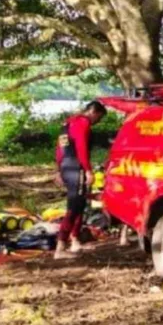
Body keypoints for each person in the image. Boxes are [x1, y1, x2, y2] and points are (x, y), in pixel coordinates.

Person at [54, 100, 107, 259]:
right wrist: (88, 171)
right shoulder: (83, 123)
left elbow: (60, 149)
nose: (98, 121)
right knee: (74, 206)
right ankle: (60, 247)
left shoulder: (68, 123)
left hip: (66, 166)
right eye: (99, 117)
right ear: (94, 112)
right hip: (76, 168)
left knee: (81, 204)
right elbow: (81, 148)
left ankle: (75, 240)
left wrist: (58, 169)